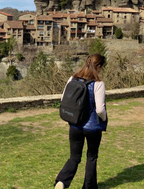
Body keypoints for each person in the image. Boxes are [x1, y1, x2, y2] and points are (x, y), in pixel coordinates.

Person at [54, 53, 108, 189]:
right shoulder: (98, 84)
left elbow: (63, 100)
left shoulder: (72, 79)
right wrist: (104, 118)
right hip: (92, 127)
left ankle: (62, 181)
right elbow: (100, 109)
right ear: (99, 66)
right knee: (91, 157)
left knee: (74, 157)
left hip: (75, 125)